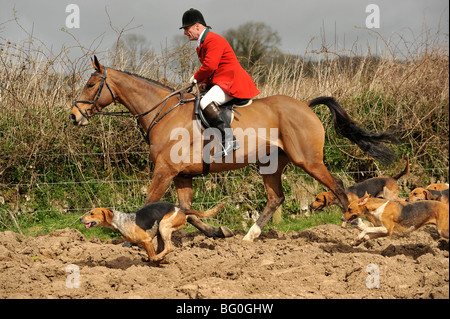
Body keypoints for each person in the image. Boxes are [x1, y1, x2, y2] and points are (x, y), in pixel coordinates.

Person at [180, 8, 260, 158]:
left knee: (206, 101)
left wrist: (196, 77)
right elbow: (214, 67)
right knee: (201, 98)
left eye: (186, 28)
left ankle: (229, 140)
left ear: (197, 26)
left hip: (232, 82)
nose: (185, 32)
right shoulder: (203, 43)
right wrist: (204, 81)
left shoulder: (213, 40)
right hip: (223, 81)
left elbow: (210, 66)